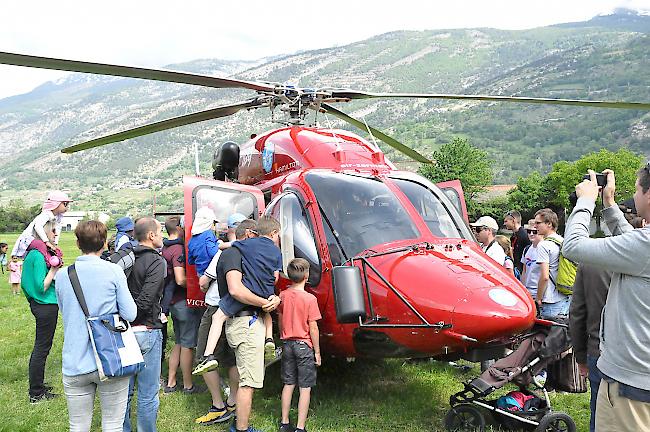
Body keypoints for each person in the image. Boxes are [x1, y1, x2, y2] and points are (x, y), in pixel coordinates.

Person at [563, 169, 650, 432]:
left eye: (636, 189)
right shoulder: (642, 247)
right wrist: (610, 206)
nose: (634, 196)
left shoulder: (644, 247)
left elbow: (573, 246)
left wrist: (586, 201)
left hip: (630, 385)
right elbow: (633, 243)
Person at [54, 220, 137, 432]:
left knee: (78, 426)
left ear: (77, 242)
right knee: (113, 425)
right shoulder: (113, 271)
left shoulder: (63, 275)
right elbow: (130, 313)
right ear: (104, 243)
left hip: (75, 360)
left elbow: (65, 311)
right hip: (110, 357)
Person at [193, 216, 282, 375]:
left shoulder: (244, 246)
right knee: (267, 311)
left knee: (218, 317)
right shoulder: (276, 251)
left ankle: (208, 355)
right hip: (266, 291)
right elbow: (275, 277)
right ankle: (269, 339)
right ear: (274, 233)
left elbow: (227, 248)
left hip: (245, 291)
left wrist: (220, 244)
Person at [193, 220, 259, 425]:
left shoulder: (224, 253)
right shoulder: (253, 256)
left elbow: (204, 281)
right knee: (233, 359)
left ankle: (218, 406)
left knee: (205, 355)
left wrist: (204, 286)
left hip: (216, 307)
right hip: (241, 310)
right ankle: (232, 401)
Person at [218, 221, 281, 432]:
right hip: (248, 323)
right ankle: (242, 428)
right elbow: (238, 291)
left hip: (240, 321)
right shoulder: (240, 254)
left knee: (242, 372)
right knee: (249, 382)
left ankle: (237, 417)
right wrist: (266, 302)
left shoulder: (240, 255)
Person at [123, 217, 166, 432]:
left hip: (123, 330)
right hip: (146, 330)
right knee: (148, 392)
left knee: (124, 392)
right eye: (159, 232)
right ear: (151, 235)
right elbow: (147, 300)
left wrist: (124, 320)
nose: (162, 236)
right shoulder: (157, 261)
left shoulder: (125, 258)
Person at [278, 258, 322, 432]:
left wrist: (283, 336)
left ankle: (284, 422)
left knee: (288, 384)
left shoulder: (283, 295)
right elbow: (313, 328)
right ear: (306, 275)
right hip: (304, 346)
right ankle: (300, 427)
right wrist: (317, 352)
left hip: (287, 344)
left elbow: (280, 319)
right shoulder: (310, 299)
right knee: (305, 387)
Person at [161, 216, 203, 394]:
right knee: (187, 345)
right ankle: (188, 385)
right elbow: (180, 279)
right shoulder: (178, 249)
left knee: (178, 342)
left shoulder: (165, 248)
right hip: (183, 303)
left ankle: (171, 382)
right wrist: (197, 285)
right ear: (178, 229)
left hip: (172, 303)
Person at [21, 220, 61, 403]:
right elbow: (41, 286)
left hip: (41, 304)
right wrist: (54, 269)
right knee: (42, 348)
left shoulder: (34, 253)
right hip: (44, 304)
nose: (55, 234)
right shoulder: (38, 255)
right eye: (53, 231)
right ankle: (36, 392)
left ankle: (38, 385)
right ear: (44, 233)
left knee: (43, 347)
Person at [569, 263, 611, 432]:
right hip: (639, 353)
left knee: (600, 416)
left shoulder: (591, 261)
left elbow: (577, 312)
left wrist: (580, 355)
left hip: (600, 349)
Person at [533, 208, 570, 319]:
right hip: (565, 296)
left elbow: (544, 277)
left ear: (549, 224)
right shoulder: (563, 241)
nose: (535, 226)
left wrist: (538, 298)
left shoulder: (543, 245)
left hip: (550, 300)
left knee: (548, 335)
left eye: (538, 223)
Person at [12, 191, 71, 258]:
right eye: (65, 204)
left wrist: (55, 244)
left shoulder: (58, 218)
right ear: (56, 204)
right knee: (41, 246)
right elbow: (38, 226)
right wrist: (46, 242)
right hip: (29, 239)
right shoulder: (46, 214)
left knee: (56, 251)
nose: (67, 207)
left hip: (41, 240)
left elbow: (57, 230)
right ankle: (47, 262)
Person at [188, 207, 220, 277]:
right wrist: (219, 244)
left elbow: (190, 261)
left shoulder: (191, 240)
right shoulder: (208, 234)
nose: (214, 227)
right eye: (214, 223)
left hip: (200, 273)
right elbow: (213, 253)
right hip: (211, 273)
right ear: (208, 223)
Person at [519, 220, 543, 302]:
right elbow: (524, 271)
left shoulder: (544, 249)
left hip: (540, 293)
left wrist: (539, 296)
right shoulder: (527, 249)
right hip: (528, 292)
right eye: (529, 231)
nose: (531, 234)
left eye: (534, 232)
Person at [503, 210, 530, 274]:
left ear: (513, 221)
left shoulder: (524, 236)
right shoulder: (514, 236)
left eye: (506, 221)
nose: (504, 224)